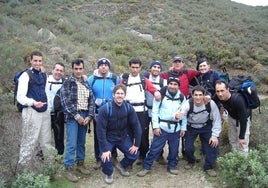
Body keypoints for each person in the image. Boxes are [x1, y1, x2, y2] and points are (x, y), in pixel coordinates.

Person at [137, 77, 187, 177]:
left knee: (174, 150)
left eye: (175, 84)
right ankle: (146, 167)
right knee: (154, 149)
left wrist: (183, 128)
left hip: (175, 129)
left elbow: (183, 113)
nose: (172, 86)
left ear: (178, 86)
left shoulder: (182, 97)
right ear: (167, 84)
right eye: (171, 84)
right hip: (162, 128)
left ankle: (172, 166)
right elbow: (155, 112)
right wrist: (155, 127)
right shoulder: (161, 96)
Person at [96, 84, 142, 184]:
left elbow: (136, 125)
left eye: (122, 93)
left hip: (122, 137)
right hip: (108, 137)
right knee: (105, 157)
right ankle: (109, 173)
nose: (120, 95)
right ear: (113, 95)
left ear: (125, 95)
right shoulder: (105, 109)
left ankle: (121, 165)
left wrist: (137, 144)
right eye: (117, 93)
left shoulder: (128, 108)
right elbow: (100, 130)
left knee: (134, 154)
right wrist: (104, 149)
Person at [17, 50, 53, 171]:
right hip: (31, 112)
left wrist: (48, 106)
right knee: (28, 142)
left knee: (46, 142)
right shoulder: (25, 75)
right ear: (31, 61)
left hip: (45, 111)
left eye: (40, 61)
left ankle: (50, 169)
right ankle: (23, 172)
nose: (37, 63)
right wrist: (33, 102)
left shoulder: (44, 75)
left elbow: (47, 91)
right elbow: (20, 97)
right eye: (35, 61)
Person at [60, 58, 95, 182]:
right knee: (71, 143)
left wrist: (89, 116)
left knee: (81, 142)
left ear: (83, 69)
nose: (78, 71)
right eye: (76, 69)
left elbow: (91, 100)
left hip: (85, 115)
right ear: (72, 69)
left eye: (80, 69)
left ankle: (80, 164)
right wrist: (77, 116)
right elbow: (65, 102)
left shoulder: (86, 83)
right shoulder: (67, 83)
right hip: (72, 117)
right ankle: (68, 168)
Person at [121, 57, 161, 165]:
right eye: (133, 67)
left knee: (143, 135)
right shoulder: (124, 80)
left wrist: (157, 93)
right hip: (128, 111)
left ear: (140, 68)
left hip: (142, 112)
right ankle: (129, 158)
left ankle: (143, 156)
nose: (134, 70)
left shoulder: (144, 80)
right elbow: (119, 92)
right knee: (129, 135)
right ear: (129, 67)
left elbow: (153, 90)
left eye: (137, 67)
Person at [160, 55, 200, 158]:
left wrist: (213, 73)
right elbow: (154, 74)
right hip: (170, 103)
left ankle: (185, 152)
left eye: (179, 62)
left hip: (184, 103)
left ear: (182, 63)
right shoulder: (166, 74)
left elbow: (201, 72)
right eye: (175, 62)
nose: (177, 63)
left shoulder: (188, 73)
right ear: (172, 64)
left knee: (184, 127)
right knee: (168, 128)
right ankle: (162, 154)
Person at [180, 85, 221, 177]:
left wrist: (214, 135)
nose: (198, 97)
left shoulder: (211, 104)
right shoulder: (188, 103)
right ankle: (191, 161)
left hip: (206, 127)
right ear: (192, 95)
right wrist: (178, 115)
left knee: (212, 145)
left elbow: (217, 119)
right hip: (191, 127)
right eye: (196, 95)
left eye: (200, 95)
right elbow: (181, 112)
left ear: (204, 95)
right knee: (188, 148)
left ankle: (209, 167)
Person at [87, 58, 120, 169]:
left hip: (112, 112)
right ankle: (99, 158)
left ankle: (114, 157)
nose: (104, 67)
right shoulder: (92, 79)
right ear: (98, 67)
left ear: (109, 67)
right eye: (101, 65)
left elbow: (120, 95)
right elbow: (89, 97)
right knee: (98, 136)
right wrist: (92, 113)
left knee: (112, 134)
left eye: (106, 65)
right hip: (98, 113)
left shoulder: (115, 78)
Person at [214, 80, 251, 154]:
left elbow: (244, 120)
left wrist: (241, 137)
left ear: (228, 89)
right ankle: (234, 160)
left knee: (242, 145)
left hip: (243, 120)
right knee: (232, 140)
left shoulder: (238, 99)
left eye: (222, 91)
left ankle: (242, 164)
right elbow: (211, 100)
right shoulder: (218, 96)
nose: (220, 94)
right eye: (217, 91)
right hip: (231, 117)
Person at [143, 60, 167, 165]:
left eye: (158, 67)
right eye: (154, 67)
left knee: (158, 133)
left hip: (158, 111)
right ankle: (142, 155)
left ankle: (159, 155)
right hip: (144, 109)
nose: (156, 69)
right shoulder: (143, 80)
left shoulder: (164, 82)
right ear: (150, 69)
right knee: (143, 133)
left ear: (160, 70)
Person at [46, 62, 65, 158]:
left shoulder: (65, 82)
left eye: (61, 71)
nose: (59, 72)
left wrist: (83, 77)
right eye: (57, 70)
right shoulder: (45, 79)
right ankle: (43, 155)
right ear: (52, 70)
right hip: (45, 113)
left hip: (59, 114)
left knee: (59, 136)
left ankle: (59, 155)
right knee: (45, 136)